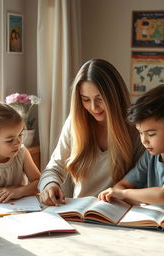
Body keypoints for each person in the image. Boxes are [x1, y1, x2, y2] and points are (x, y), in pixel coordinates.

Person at [38, 59, 144, 206]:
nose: (93, 107)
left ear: (115, 96)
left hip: (122, 214)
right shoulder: (75, 122)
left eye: (100, 99)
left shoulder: (136, 127)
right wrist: (50, 185)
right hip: (82, 213)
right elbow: (53, 169)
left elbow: (144, 177)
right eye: (86, 99)